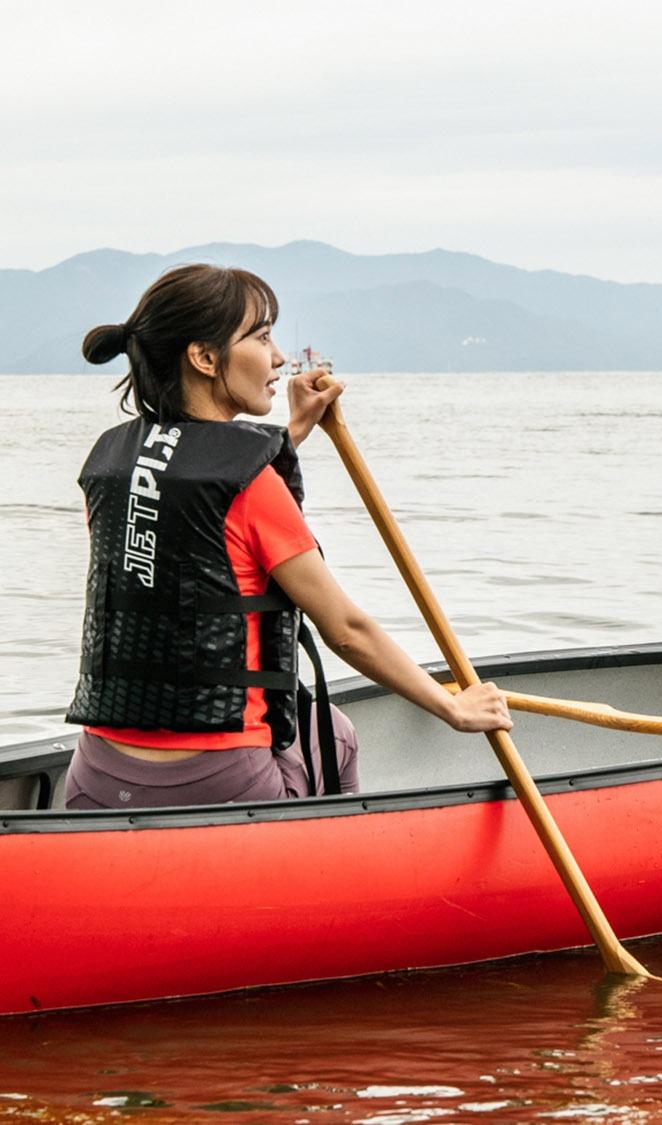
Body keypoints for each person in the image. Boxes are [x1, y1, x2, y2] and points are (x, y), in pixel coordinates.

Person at [64, 264, 510, 809]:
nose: (279, 357)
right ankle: (333, 872)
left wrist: (291, 433)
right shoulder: (254, 484)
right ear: (204, 358)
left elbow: (200, 512)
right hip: (221, 779)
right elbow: (346, 630)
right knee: (336, 732)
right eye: (261, 336)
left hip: (95, 776)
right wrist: (453, 709)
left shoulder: (109, 464)